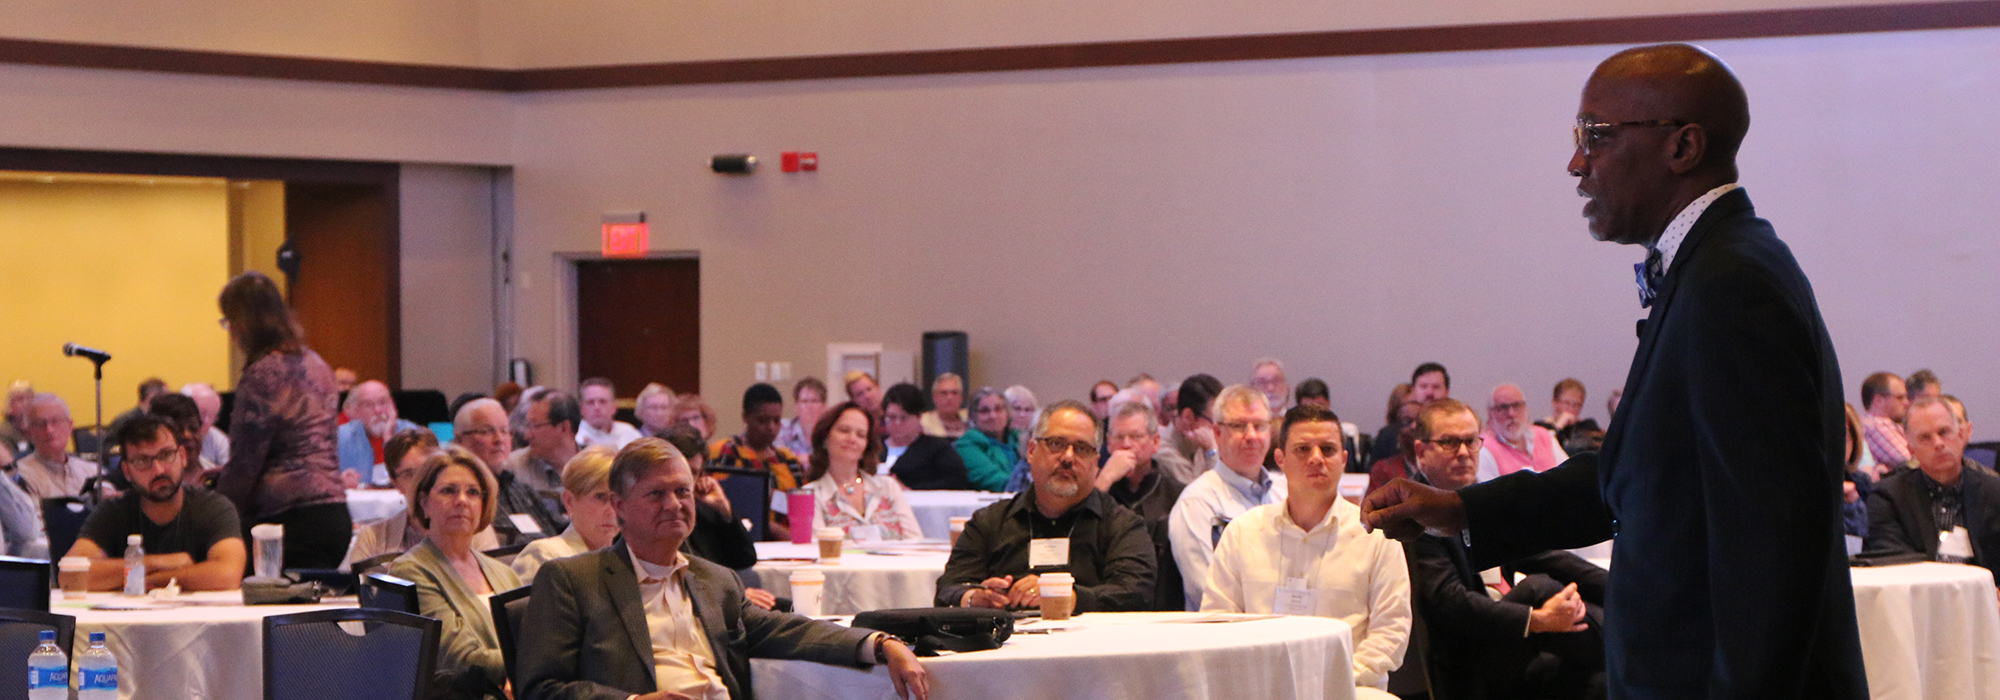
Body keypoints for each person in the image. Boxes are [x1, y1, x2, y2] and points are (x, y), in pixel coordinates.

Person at [1363, 44, 1866, 699]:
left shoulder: (1732, 284)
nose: (1577, 163)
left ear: (1682, 147)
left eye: (1595, 135)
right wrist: (1457, 509)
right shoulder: (1708, 272)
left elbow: (1771, 541)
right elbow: (1633, 476)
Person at [518, 437, 931, 700]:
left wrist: (881, 643)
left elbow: (790, 630)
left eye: (682, 491)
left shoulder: (714, 581)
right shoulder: (573, 580)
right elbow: (540, 689)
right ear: (619, 507)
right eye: (656, 494)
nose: (675, 504)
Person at [1400, 399, 1607, 700]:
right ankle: (1635, 642)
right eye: (1448, 443)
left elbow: (1543, 554)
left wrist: (1619, 589)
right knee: (1538, 588)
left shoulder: (1475, 501)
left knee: (1601, 683)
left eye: (1470, 441)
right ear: (1421, 451)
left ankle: (1634, 623)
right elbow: (1450, 603)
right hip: (1469, 661)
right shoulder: (1416, 516)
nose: (1462, 453)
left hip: (1511, 646)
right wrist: (1536, 619)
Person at [1203, 404, 1410, 699]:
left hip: (1348, 688)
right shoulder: (1243, 532)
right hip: (1258, 688)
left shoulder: (1376, 535)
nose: (1316, 459)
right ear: (1280, 459)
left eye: (1327, 449)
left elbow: (1391, 632)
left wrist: (1330, 680)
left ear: (1343, 460)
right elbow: (1217, 622)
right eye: (1302, 449)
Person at [937, 400, 1155, 612]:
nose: (1068, 457)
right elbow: (947, 590)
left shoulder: (1122, 525)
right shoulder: (990, 522)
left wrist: (1066, 596)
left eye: (1081, 448)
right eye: (1056, 444)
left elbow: (1136, 593)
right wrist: (975, 598)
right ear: (1031, 451)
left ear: (1096, 462)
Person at [214, 271, 350, 570]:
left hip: (286, 524)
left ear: (245, 323)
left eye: (230, 322)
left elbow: (246, 464)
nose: (231, 332)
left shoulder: (264, 373)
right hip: (334, 517)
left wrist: (215, 515)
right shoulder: (318, 364)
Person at [389, 447, 522, 700]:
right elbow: (458, 659)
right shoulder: (411, 570)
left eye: (472, 492)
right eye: (448, 491)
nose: (462, 500)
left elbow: (532, 639)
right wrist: (534, 664)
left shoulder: (504, 572)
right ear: (424, 502)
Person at [67, 414, 245, 592]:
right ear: (127, 471)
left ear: (182, 456)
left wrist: (147, 579)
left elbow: (228, 575)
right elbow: (70, 576)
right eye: (143, 461)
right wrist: (159, 562)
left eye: (166, 455)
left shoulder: (213, 508)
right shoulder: (113, 511)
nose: (158, 470)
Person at [1168, 384, 1286, 610]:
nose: (1251, 435)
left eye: (1259, 426)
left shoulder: (1287, 492)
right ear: (1218, 433)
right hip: (1226, 635)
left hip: (1290, 629)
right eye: (1239, 426)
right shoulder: (1197, 503)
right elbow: (1205, 590)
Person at [1865, 397, 2000, 579]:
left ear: (1961, 436)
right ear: (1911, 449)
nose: (1938, 443)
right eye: (1925, 437)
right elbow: (1894, 564)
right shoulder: (1888, 497)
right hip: (1921, 599)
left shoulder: (1994, 492)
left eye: (1943, 432)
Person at [347, 428, 501, 569]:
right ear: (395, 483)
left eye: (427, 471)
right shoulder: (373, 537)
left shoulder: (476, 532)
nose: (420, 482)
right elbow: (359, 594)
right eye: (409, 474)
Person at [1093, 398, 1187, 610]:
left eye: (1135, 436)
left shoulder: (1178, 494)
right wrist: (1105, 478)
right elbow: (1081, 526)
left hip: (1163, 603)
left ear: (1155, 442)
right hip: (1106, 602)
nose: (1126, 444)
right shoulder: (1097, 488)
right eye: (1119, 437)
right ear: (1108, 443)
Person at [801, 402, 922, 540]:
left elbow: (916, 543)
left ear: (866, 445)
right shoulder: (810, 496)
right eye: (844, 430)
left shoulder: (888, 487)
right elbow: (816, 550)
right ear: (825, 437)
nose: (852, 439)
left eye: (860, 435)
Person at [455, 398, 565, 542]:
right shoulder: (464, 498)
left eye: (504, 430)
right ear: (460, 440)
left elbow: (564, 530)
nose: (499, 439)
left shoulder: (523, 491)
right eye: (487, 431)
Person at [660, 426, 762, 575]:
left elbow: (745, 559)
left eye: (693, 472)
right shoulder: (655, 515)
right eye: (680, 471)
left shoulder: (704, 512)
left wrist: (724, 509)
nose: (686, 481)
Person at [513, 447, 620, 581]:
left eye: (618, 499)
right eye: (600, 497)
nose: (612, 511)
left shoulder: (629, 561)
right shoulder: (545, 555)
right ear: (569, 501)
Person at [708, 383, 805, 494]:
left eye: (777, 420)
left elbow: (801, 503)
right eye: (763, 420)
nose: (771, 427)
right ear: (745, 417)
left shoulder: (788, 460)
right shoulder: (726, 451)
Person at [878, 383, 974, 491]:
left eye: (904, 418)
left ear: (919, 417)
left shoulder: (938, 449)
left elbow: (956, 481)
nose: (897, 423)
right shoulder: (873, 447)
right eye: (891, 417)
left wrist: (910, 489)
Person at [1478, 384, 1569, 482]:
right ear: (1491, 413)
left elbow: (1570, 474)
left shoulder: (1545, 436)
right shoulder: (1483, 447)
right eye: (1503, 407)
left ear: (1526, 408)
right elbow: (1490, 494)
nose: (1511, 414)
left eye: (1517, 405)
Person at [336, 380, 418, 488]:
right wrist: (339, 481)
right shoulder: (341, 436)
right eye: (369, 404)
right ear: (357, 411)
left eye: (383, 402)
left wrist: (389, 440)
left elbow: (417, 478)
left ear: (393, 405)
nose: (378, 410)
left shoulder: (412, 434)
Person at [16, 393, 99, 499]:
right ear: (27, 432)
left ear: (70, 426)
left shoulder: (93, 472)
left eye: (56, 421)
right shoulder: (19, 476)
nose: (49, 430)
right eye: (40, 424)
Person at [507, 388, 579, 496]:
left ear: (564, 428)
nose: (527, 436)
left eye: (535, 426)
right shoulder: (512, 470)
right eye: (528, 426)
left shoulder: (600, 466)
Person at [1371, 363, 1449, 463]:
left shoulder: (1459, 429)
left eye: (1436, 387)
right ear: (1413, 390)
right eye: (1423, 386)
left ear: (1447, 391)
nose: (1429, 393)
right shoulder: (1390, 434)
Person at [1155, 374, 1223, 487]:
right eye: (1214, 420)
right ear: (1188, 416)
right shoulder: (1163, 451)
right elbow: (1205, 495)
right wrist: (1212, 452)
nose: (1218, 429)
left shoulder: (1201, 442)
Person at [954, 387, 1020, 492]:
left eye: (998, 409)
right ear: (972, 417)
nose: (993, 416)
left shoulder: (1020, 440)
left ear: (1007, 414)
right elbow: (994, 480)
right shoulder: (965, 446)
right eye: (984, 411)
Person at [95, 377, 168, 469]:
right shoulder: (127, 421)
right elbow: (108, 450)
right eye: (166, 397)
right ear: (152, 396)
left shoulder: (156, 419)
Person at [1859, 371, 1913, 469]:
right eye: (1900, 398)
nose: (1907, 403)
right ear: (1879, 400)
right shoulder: (1876, 424)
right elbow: (1910, 461)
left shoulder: (1885, 423)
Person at [575, 377, 642, 450]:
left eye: (602, 401)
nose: (597, 407)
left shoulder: (629, 433)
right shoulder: (576, 437)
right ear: (581, 408)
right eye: (590, 402)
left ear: (614, 407)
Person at [180, 382, 232, 466]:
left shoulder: (219, 441)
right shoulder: (167, 436)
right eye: (202, 413)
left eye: (212, 415)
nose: (206, 421)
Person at [775, 377, 825, 459]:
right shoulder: (782, 428)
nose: (809, 406)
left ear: (823, 405)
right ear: (796, 405)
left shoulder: (831, 432)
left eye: (814, 401)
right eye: (804, 401)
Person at [920, 372, 968, 439]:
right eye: (944, 393)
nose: (949, 398)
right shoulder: (923, 421)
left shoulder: (971, 418)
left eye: (954, 393)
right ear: (934, 397)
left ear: (961, 397)